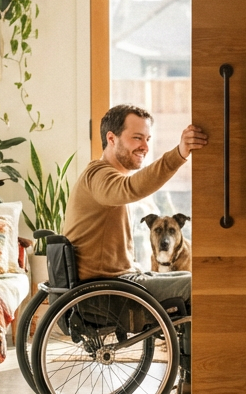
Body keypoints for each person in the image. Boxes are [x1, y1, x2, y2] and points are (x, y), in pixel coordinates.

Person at [62, 104, 207, 311]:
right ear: (111, 138)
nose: (145, 147)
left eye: (147, 139)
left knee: (186, 275)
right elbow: (131, 187)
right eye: (137, 138)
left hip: (115, 282)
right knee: (199, 284)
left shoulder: (105, 177)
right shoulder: (98, 176)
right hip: (106, 291)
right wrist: (179, 153)